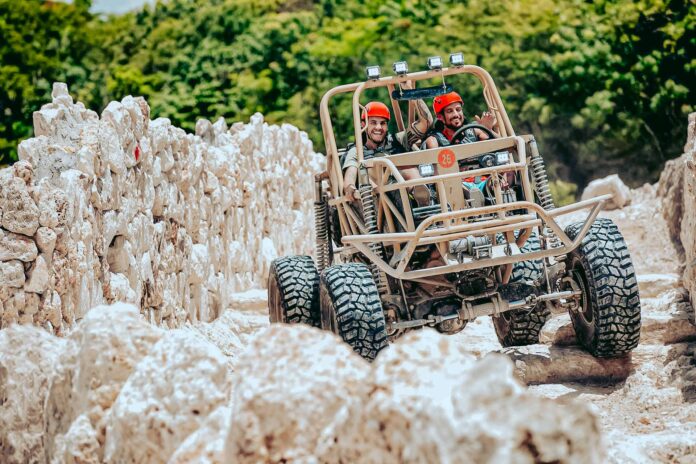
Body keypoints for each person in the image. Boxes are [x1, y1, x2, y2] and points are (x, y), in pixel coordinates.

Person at [342, 101, 421, 201]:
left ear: (387, 126)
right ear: (363, 124)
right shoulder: (357, 151)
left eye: (382, 123)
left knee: (409, 168)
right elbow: (350, 174)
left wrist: (409, 91)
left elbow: (425, 123)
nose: (378, 127)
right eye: (373, 122)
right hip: (376, 200)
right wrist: (349, 186)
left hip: (402, 191)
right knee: (370, 169)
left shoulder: (397, 140)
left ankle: (422, 194)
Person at [422, 92, 499, 149]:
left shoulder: (475, 131)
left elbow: (504, 148)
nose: (456, 114)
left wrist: (488, 130)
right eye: (450, 111)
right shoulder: (434, 141)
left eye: (458, 110)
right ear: (440, 117)